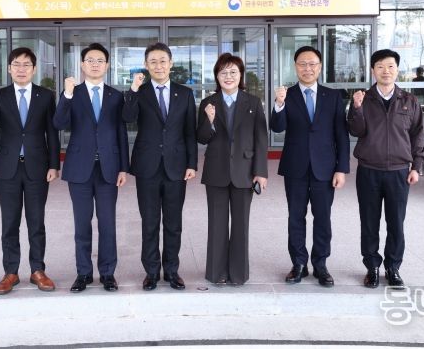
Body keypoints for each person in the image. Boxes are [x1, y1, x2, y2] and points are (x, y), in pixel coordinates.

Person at [0, 47, 60, 295]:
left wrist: (54, 164)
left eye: (26, 65)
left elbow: (52, 132)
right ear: (9, 68)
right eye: (17, 64)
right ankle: (11, 272)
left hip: (38, 167)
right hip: (8, 168)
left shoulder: (45, 95)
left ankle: (38, 270)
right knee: (10, 222)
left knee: (36, 222)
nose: (21, 69)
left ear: (34, 69)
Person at [270, 46, 349, 287]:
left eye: (312, 63)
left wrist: (341, 169)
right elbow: (277, 127)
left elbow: (341, 135)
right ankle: (299, 264)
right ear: (295, 67)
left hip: (325, 168)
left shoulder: (332, 96)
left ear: (320, 67)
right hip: (295, 166)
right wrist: (279, 103)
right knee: (296, 217)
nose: (307, 68)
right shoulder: (287, 94)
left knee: (322, 217)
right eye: (302, 64)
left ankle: (321, 264)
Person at [53, 43, 129, 293]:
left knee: (107, 223)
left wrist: (123, 168)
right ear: (82, 65)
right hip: (79, 168)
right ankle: (83, 273)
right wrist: (66, 95)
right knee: (82, 224)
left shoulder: (115, 96)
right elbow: (59, 123)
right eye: (90, 60)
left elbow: (121, 133)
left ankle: (107, 273)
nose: (95, 64)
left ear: (107, 65)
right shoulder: (72, 93)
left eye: (100, 60)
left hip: (109, 168)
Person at [123, 42, 198, 291]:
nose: (158, 66)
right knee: (150, 222)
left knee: (174, 223)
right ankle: (152, 272)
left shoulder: (185, 93)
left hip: (176, 166)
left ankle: (172, 270)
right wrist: (133, 90)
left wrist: (192, 163)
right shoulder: (140, 91)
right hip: (147, 167)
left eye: (163, 61)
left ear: (171, 63)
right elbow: (127, 117)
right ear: (146, 65)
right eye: (153, 61)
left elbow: (189, 131)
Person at [348, 49, 424, 289]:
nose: (386, 71)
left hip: (399, 172)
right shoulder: (363, 99)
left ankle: (393, 268)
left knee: (396, 223)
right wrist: (356, 108)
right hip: (369, 170)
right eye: (380, 66)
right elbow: (355, 131)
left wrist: (417, 166)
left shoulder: (409, 101)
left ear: (397, 70)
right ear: (373, 70)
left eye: (390, 66)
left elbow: (418, 135)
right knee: (369, 222)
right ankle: (372, 267)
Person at [196, 53, 268, 286]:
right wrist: (209, 120)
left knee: (241, 225)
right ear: (217, 76)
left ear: (240, 75)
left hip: (244, 171)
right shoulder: (208, 103)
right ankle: (217, 273)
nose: (228, 76)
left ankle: (238, 274)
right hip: (216, 171)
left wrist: (261, 171)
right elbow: (201, 138)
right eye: (223, 72)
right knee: (216, 224)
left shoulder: (253, 103)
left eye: (233, 72)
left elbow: (261, 139)